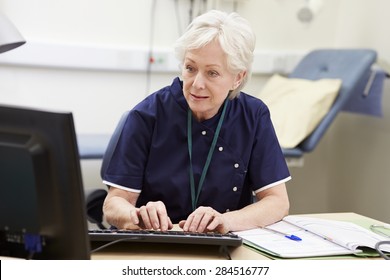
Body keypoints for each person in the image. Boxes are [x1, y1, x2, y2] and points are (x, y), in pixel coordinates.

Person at [102, 10, 291, 234]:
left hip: (224, 243)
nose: (196, 84)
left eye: (212, 73)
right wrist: (136, 216)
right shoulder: (147, 115)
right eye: (190, 68)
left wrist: (226, 221)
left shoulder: (253, 116)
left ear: (237, 77)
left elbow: (277, 202)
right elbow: (113, 204)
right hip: (158, 241)